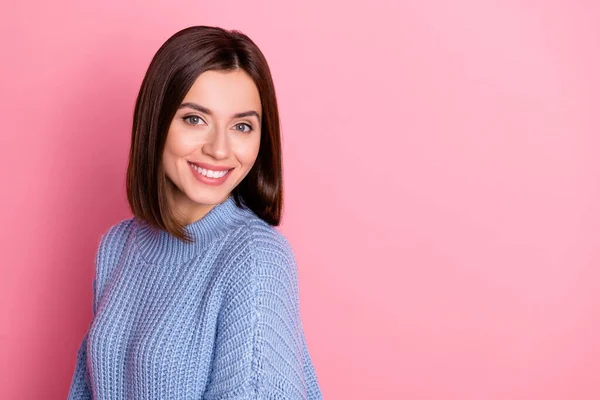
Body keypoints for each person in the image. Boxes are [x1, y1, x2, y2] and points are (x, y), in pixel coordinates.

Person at [67, 25, 323, 399]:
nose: (220, 149)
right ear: (156, 124)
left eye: (241, 126)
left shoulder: (254, 259)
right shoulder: (118, 247)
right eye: (194, 119)